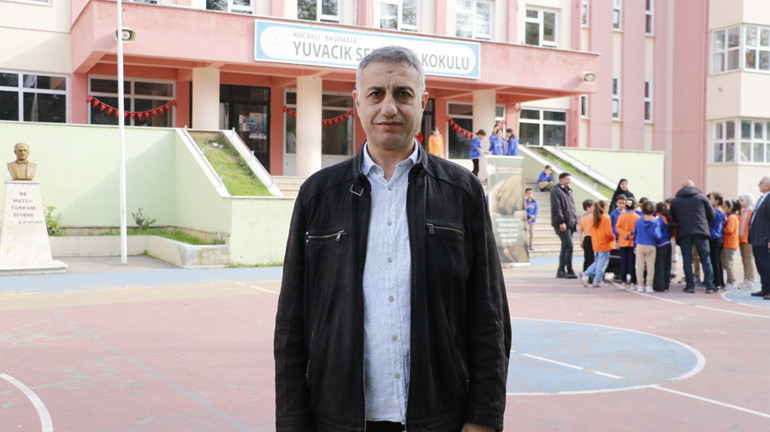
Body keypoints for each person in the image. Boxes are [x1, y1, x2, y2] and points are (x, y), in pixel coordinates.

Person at [274, 46, 512, 432]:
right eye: (376, 94)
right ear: (357, 102)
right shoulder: (318, 195)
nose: (389, 108)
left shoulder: (461, 192)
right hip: (337, 418)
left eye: (402, 93)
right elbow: (291, 324)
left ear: (422, 101)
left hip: (439, 417)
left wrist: (484, 418)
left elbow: (489, 315)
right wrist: (292, 422)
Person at [670, 180, 715, 294]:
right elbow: (711, 214)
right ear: (693, 187)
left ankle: (690, 286)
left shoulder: (676, 200)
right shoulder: (701, 197)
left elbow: (672, 216)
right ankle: (709, 286)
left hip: (684, 232)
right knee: (705, 259)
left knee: (687, 260)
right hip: (701, 231)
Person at [579, 200, 615, 288]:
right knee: (602, 264)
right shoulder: (606, 219)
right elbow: (608, 233)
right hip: (604, 243)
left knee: (598, 262)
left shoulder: (594, 218)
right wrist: (613, 238)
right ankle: (597, 280)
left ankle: (586, 274)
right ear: (605, 208)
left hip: (596, 243)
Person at [551, 172, 578, 279]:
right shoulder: (556, 191)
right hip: (562, 224)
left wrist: (574, 222)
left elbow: (572, 207)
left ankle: (561, 270)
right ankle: (569, 269)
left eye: (570, 179)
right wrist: (561, 221)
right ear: (561, 180)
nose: (569, 181)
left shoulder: (568, 191)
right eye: (567, 179)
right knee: (569, 246)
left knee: (565, 247)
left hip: (570, 223)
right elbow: (556, 207)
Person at [634, 201, 662, 293]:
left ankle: (640, 285)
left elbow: (635, 233)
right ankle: (649, 285)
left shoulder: (639, 220)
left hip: (640, 244)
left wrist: (634, 246)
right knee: (650, 266)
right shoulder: (656, 222)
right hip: (651, 245)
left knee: (639, 265)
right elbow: (658, 236)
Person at [749, 176, 770, 299]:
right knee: (761, 264)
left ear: (768, 185)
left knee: (766, 265)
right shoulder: (763, 198)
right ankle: (765, 288)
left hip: (764, 238)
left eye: (760, 183)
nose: (759, 185)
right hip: (757, 238)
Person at [616, 198, 640, 288]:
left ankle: (623, 280)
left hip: (623, 242)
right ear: (635, 206)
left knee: (624, 262)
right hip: (633, 242)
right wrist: (630, 235)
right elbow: (637, 231)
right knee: (633, 262)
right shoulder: (637, 217)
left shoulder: (621, 216)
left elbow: (618, 228)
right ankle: (633, 281)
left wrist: (625, 234)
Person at [653, 201, 675, 292]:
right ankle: (666, 284)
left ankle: (659, 285)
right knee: (667, 265)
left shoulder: (659, 220)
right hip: (668, 243)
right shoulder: (668, 218)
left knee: (660, 265)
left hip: (661, 244)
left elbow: (657, 234)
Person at [707, 192, 726, 290]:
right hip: (719, 237)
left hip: (714, 237)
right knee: (717, 261)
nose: (709, 200)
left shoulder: (716, 212)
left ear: (717, 201)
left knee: (715, 261)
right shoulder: (721, 212)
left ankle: (717, 283)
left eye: (711, 199)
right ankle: (719, 282)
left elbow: (709, 224)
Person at [738, 193, 756, 289]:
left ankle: (750, 279)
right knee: (744, 259)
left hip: (748, 239)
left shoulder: (752, 212)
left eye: (742, 200)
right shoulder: (742, 212)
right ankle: (746, 278)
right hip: (741, 238)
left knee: (748, 259)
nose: (740, 202)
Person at [722, 199, 740, 290]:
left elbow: (729, 230)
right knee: (728, 262)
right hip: (730, 243)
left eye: (725, 207)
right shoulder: (731, 216)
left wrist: (721, 229)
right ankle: (730, 281)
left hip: (730, 243)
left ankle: (731, 281)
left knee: (727, 263)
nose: (724, 209)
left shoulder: (732, 217)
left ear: (730, 208)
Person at [578, 199, 595, 273]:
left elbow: (580, 230)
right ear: (588, 207)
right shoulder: (593, 216)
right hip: (593, 238)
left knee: (586, 257)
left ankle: (584, 273)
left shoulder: (583, 218)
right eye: (593, 207)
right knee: (592, 258)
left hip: (586, 238)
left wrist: (581, 241)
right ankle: (590, 274)